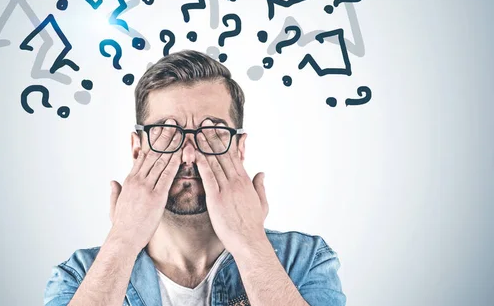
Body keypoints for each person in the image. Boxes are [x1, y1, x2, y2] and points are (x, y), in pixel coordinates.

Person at [43, 50, 346, 306]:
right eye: (167, 132)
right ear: (138, 149)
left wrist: (250, 243)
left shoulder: (304, 261)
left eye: (212, 132)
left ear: (239, 149)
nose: (188, 156)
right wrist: (122, 241)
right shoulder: (80, 276)